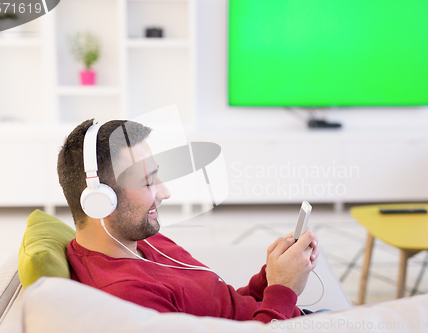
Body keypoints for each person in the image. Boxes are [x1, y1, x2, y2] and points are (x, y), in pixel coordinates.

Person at [57, 119, 320, 324]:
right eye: (147, 182)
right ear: (101, 200)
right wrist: (284, 290)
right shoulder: (129, 297)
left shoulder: (140, 238)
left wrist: (271, 278)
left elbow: (218, 309)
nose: (165, 193)